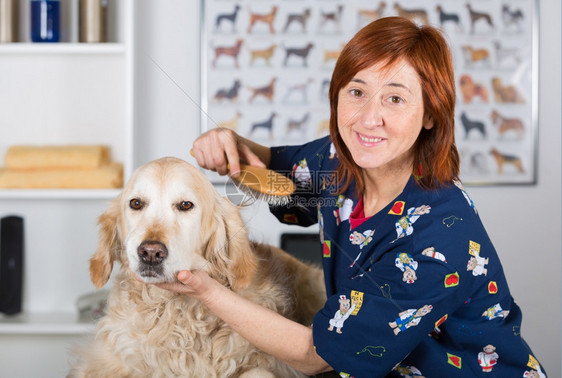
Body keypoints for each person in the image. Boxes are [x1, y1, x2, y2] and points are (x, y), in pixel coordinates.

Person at [159, 17, 545, 377]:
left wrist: (203, 287)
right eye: (357, 92)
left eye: (395, 99)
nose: (368, 118)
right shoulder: (336, 160)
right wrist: (231, 142)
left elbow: (314, 354)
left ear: (431, 113)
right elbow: (277, 171)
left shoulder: (441, 238)